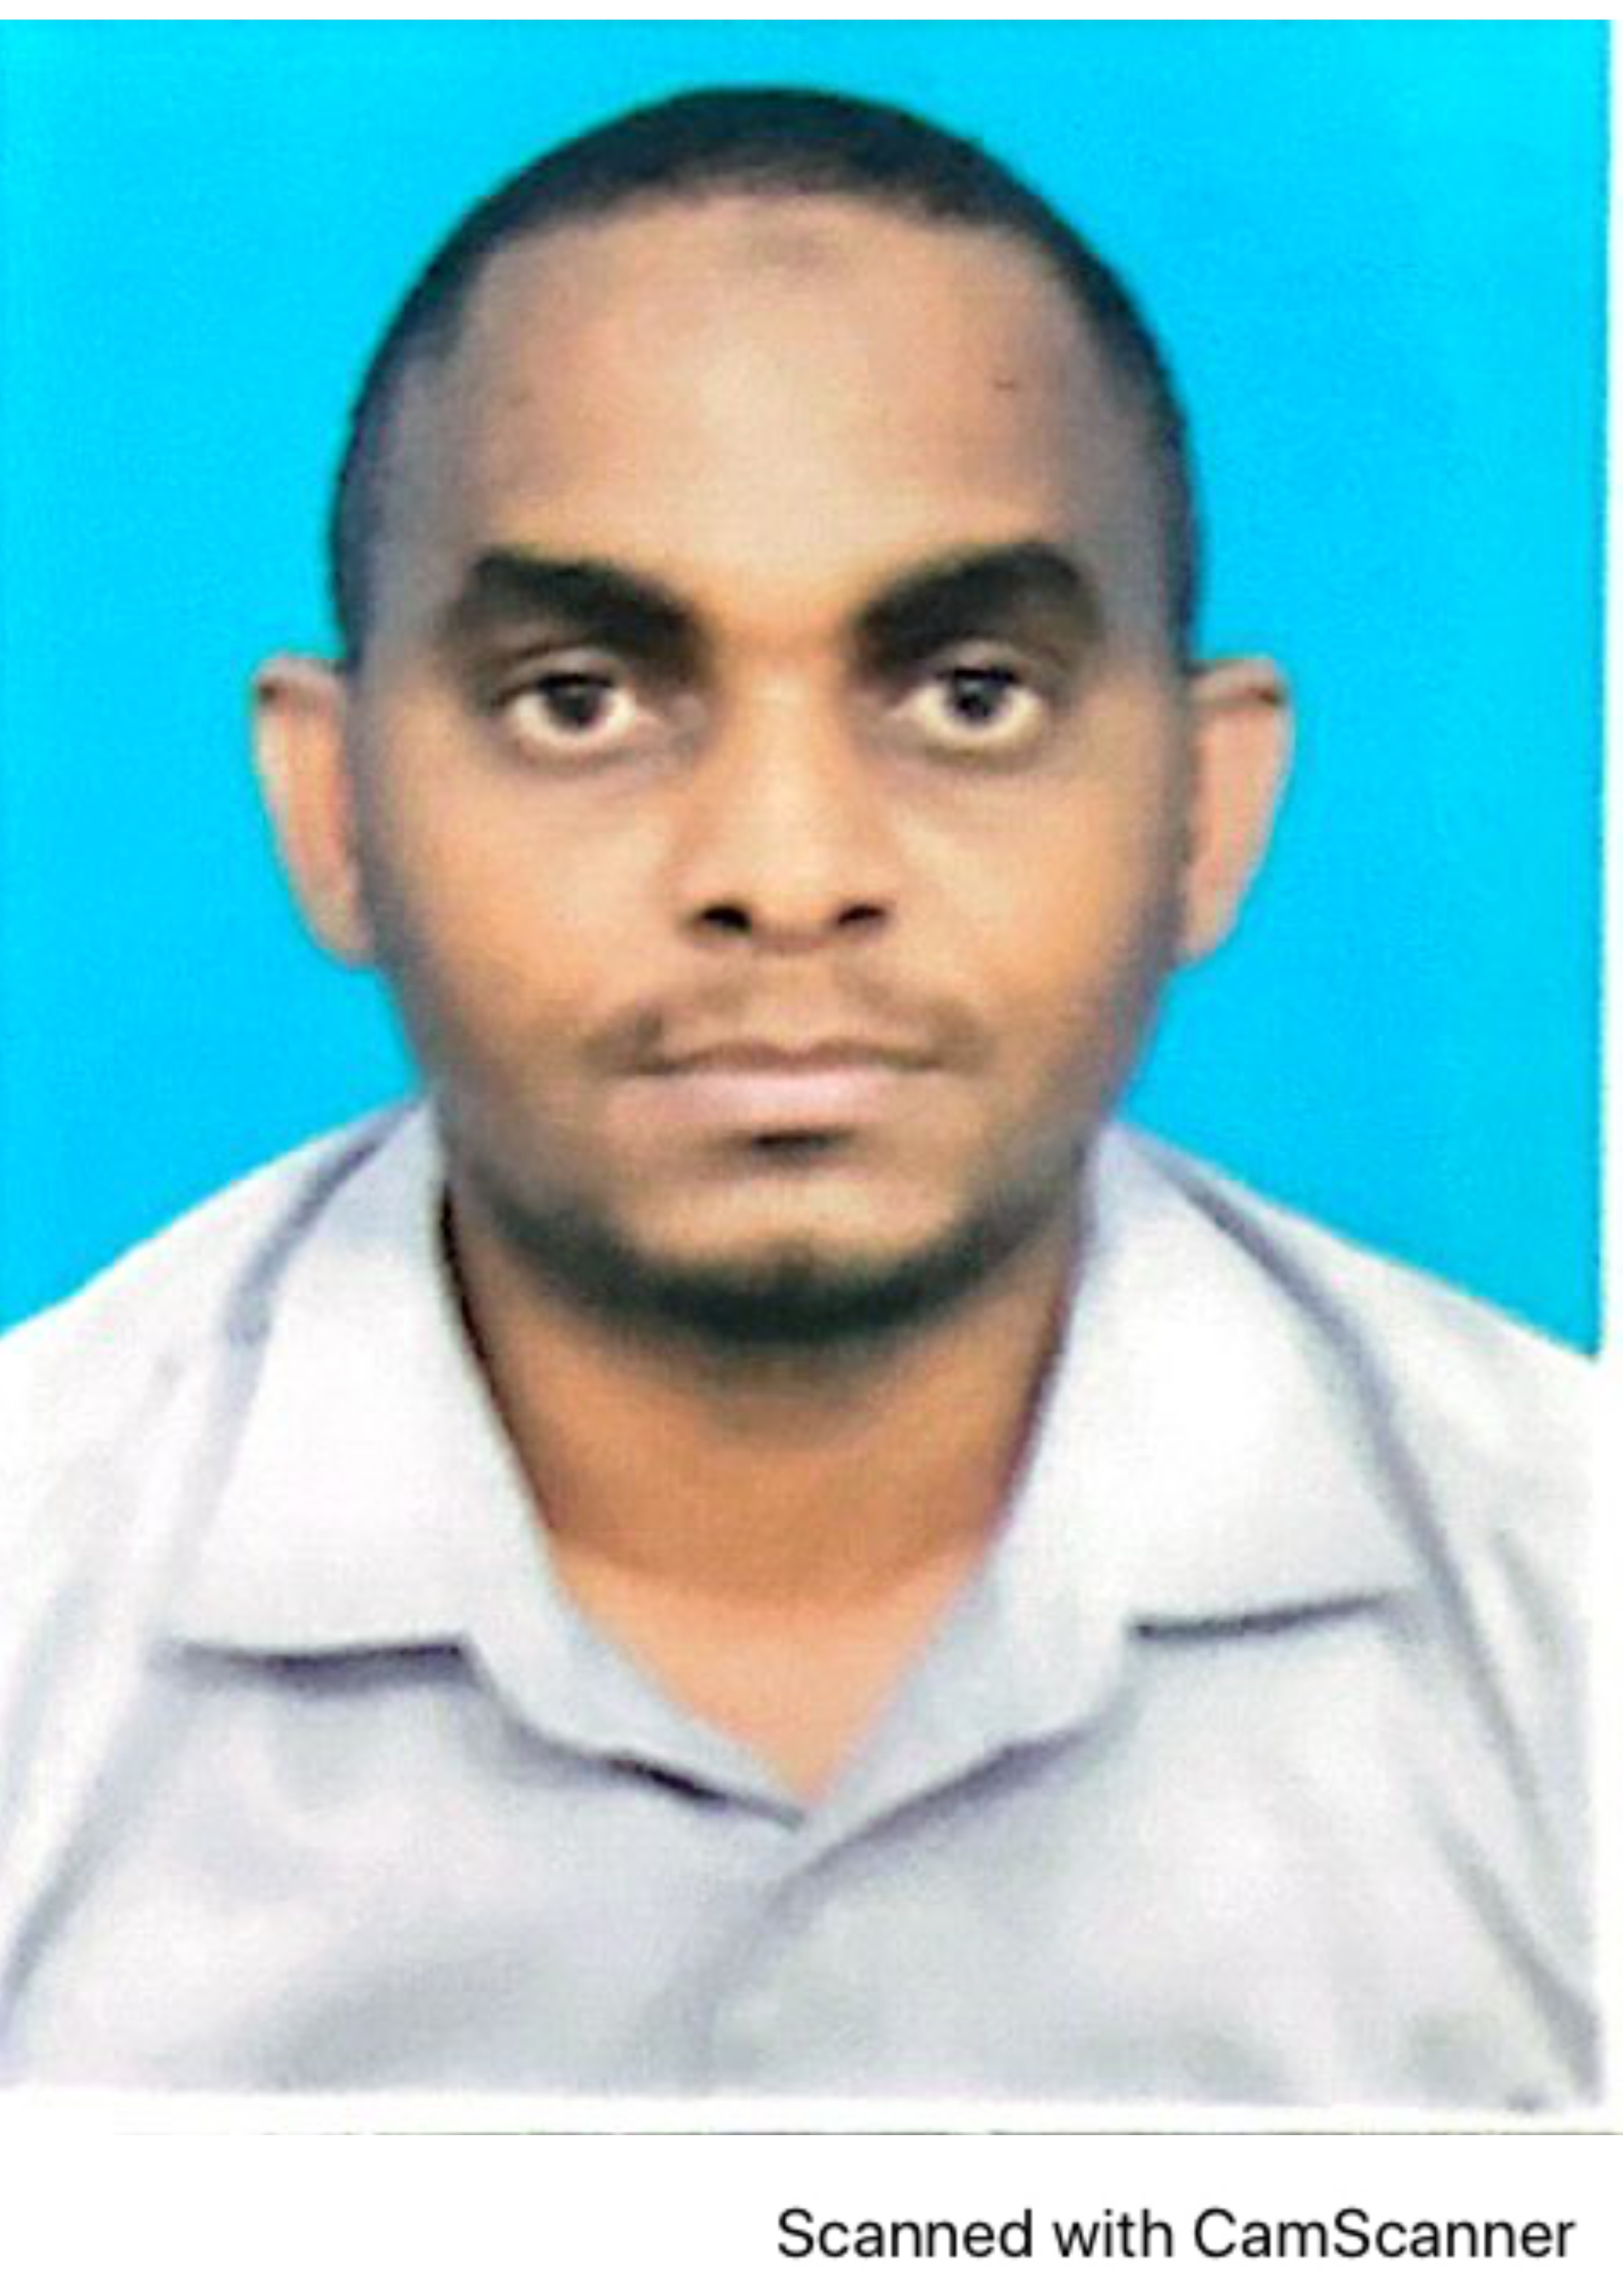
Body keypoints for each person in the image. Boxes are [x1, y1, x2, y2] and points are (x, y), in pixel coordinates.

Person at [0, 86, 1592, 2104]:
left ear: (1210, 806)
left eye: (970, 695)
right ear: (331, 809)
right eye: (579, 699)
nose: (784, 867)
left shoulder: (1569, 1602)